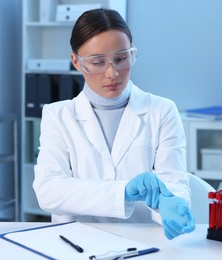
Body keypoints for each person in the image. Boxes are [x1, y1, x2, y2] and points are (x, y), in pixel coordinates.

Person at [33, 8, 195, 240]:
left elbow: (174, 179)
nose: (112, 73)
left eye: (121, 59)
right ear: (76, 62)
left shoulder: (162, 110)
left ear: (133, 55)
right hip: (77, 242)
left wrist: (173, 203)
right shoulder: (57, 115)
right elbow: (49, 190)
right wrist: (124, 192)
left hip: (144, 241)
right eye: (98, 62)